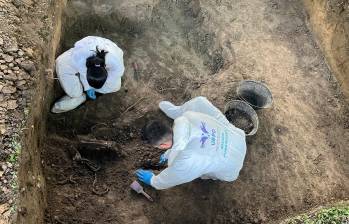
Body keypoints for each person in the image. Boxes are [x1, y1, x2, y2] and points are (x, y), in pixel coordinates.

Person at [136, 96, 247, 190]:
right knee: (199, 103)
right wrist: (169, 152)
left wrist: (153, 180)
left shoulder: (183, 161)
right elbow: (186, 140)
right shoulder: (188, 116)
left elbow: (172, 177)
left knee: (200, 170)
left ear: (163, 145)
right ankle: (176, 111)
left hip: (231, 168)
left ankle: (210, 172)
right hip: (238, 139)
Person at [51, 36, 125, 113]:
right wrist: (88, 88)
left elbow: (113, 78)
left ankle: (84, 85)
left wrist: (91, 86)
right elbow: (82, 71)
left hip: (83, 59)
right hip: (67, 63)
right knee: (76, 94)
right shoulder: (79, 59)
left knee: (116, 86)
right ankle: (81, 98)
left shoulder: (117, 66)